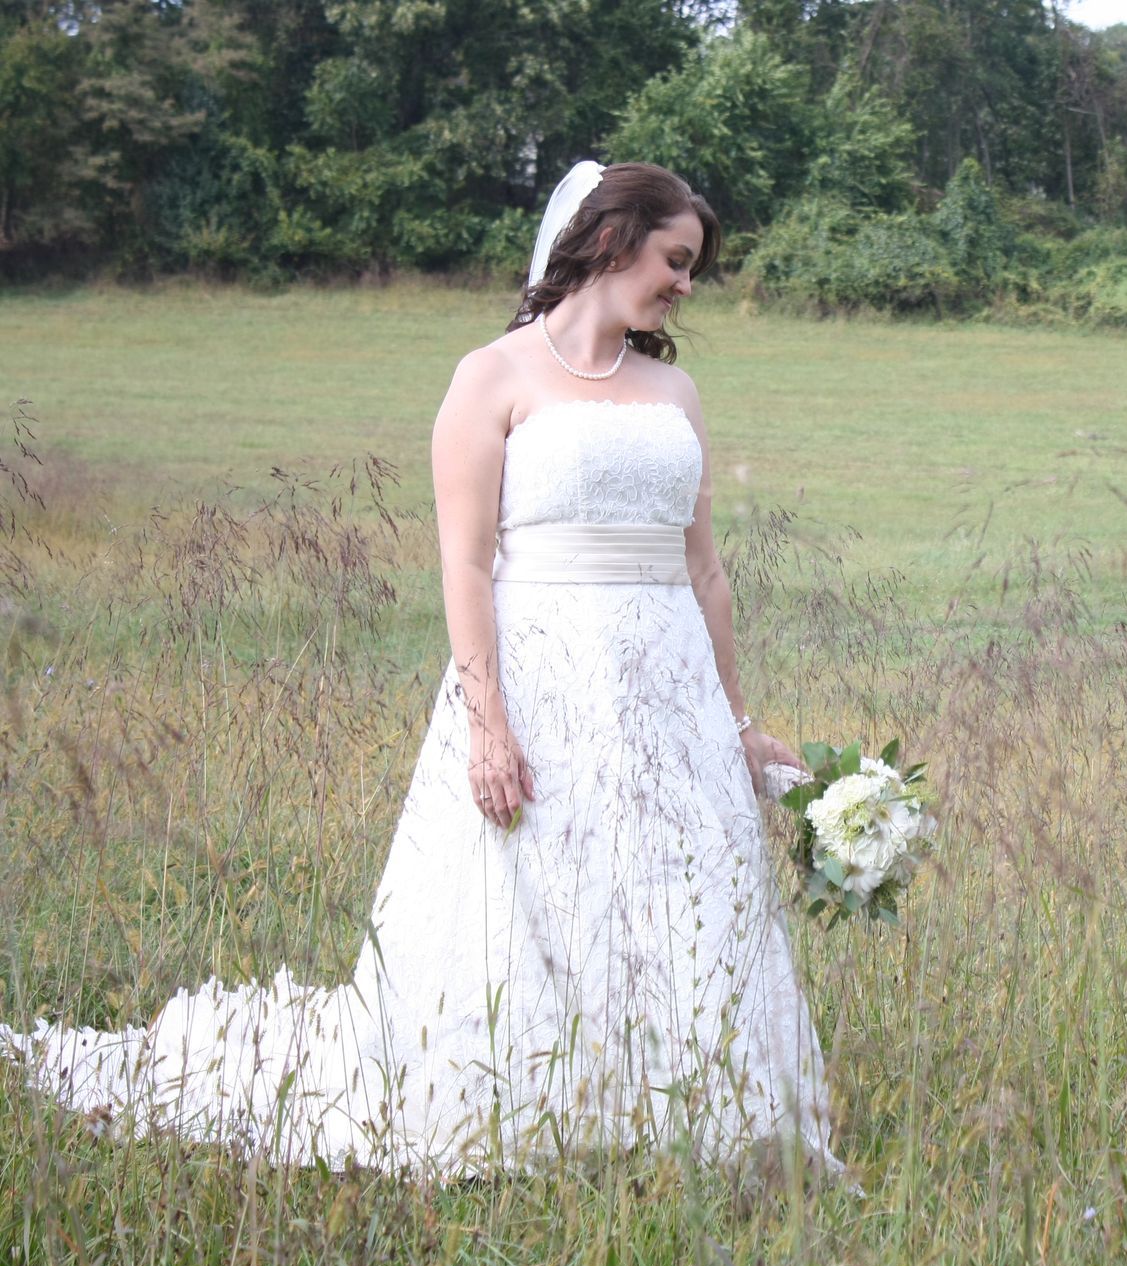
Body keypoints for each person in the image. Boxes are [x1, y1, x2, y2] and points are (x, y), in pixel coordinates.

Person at [2, 160, 850, 1188]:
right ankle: (531, 1102)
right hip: (539, 675)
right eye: (676, 261)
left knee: (681, 891)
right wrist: (488, 723)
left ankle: (678, 1106)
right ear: (613, 241)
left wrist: (739, 719)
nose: (686, 286)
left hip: (668, 686)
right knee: (537, 885)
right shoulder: (489, 378)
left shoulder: (676, 389)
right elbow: (465, 560)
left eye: (692, 269)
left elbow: (704, 567)